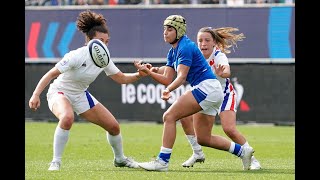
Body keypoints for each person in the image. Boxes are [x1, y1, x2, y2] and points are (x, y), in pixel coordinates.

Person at [134, 15, 254, 172]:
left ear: (179, 31)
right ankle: (242, 151)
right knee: (203, 138)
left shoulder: (185, 47)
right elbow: (167, 78)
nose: (165, 32)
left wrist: (168, 90)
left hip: (208, 88)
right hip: (210, 90)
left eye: (170, 29)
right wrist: (150, 71)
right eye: (164, 29)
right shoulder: (173, 51)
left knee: (169, 116)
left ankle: (162, 161)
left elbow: (181, 77)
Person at [28, 10, 144, 171]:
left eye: (107, 41)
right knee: (67, 118)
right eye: (100, 40)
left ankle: (120, 159)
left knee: (114, 127)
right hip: (59, 92)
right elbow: (51, 74)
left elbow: (121, 78)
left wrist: (140, 74)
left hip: (80, 94)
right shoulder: (76, 56)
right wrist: (35, 94)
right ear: (89, 40)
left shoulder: (104, 58)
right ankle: (55, 162)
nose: (104, 44)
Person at [179, 27, 261, 170]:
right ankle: (197, 153)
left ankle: (252, 159)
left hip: (224, 95)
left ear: (214, 43)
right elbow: (178, 70)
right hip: (206, 95)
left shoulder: (219, 55)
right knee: (200, 135)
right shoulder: (194, 56)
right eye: (200, 40)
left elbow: (227, 71)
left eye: (207, 40)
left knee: (229, 129)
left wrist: (222, 73)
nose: (203, 43)